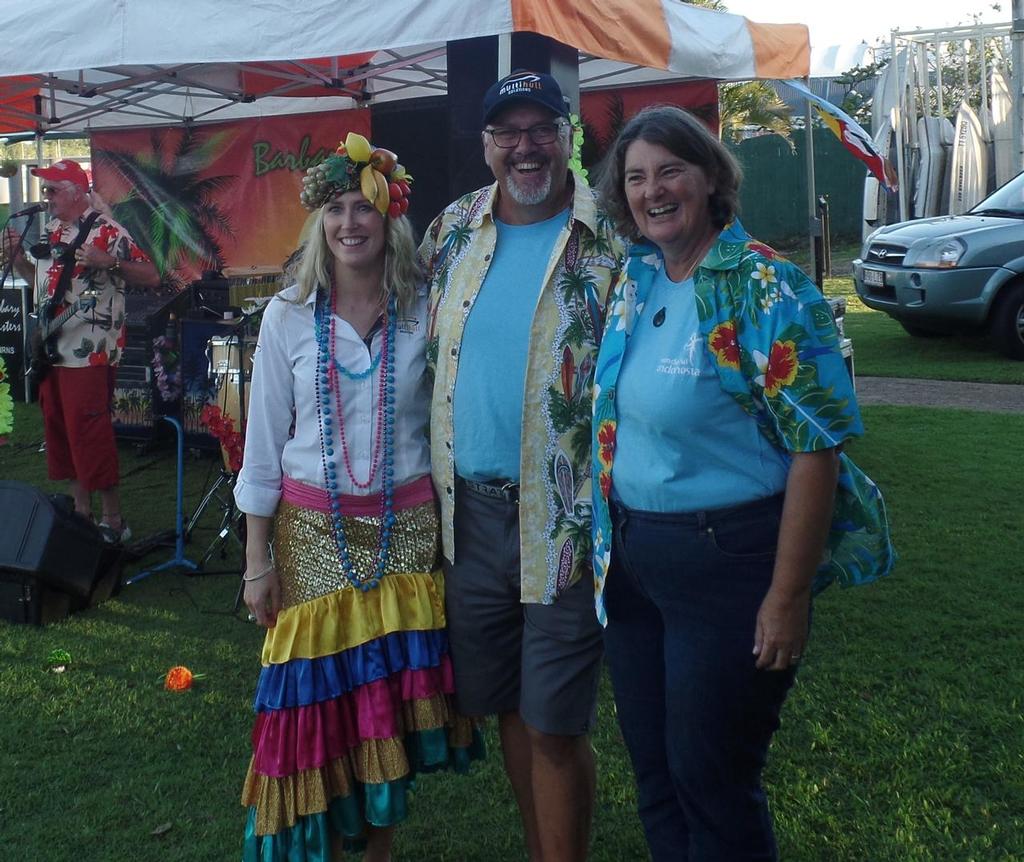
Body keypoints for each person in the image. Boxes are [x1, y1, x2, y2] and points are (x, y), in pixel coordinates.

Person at [591, 106, 895, 861]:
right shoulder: (636, 278)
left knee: (713, 779)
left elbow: (815, 449)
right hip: (634, 566)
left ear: (710, 178)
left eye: (670, 171)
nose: (653, 191)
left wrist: (786, 599)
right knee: (657, 774)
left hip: (728, 566)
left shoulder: (768, 286)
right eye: (636, 178)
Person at [234, 132, 482, 862]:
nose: (350, 223)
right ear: (320, 222)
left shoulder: (427, 309)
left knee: (384, 714)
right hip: (311, 536)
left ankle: (378, 853)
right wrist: (256, 558)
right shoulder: (286, 315)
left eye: (364, 208)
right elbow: (261, 446)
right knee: (320, 711)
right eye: (336, 209)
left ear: (389, 219)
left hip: (408, 536)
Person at [419, 70, 625, 862]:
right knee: (507, 703)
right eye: (509, 131)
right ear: (486, 145)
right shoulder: (452, 231)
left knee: (554, 719)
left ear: (569, 135)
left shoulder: (609, 235)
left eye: (543, 128)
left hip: (567, 518)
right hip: (467, 519)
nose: (526, 146)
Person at [6, 158, 159, 542]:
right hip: (52, 351)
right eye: (45, 190)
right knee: (59, 431)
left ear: (76, 193)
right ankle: (81, 513)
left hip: (89, 354)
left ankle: (113, 521)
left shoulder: (107, 231)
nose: (46, 197)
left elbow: (153, 275)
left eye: (52, 190)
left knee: (89, 432)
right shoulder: (52, 230)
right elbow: (41, 289)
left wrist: (111, 262)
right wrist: (19, 261)